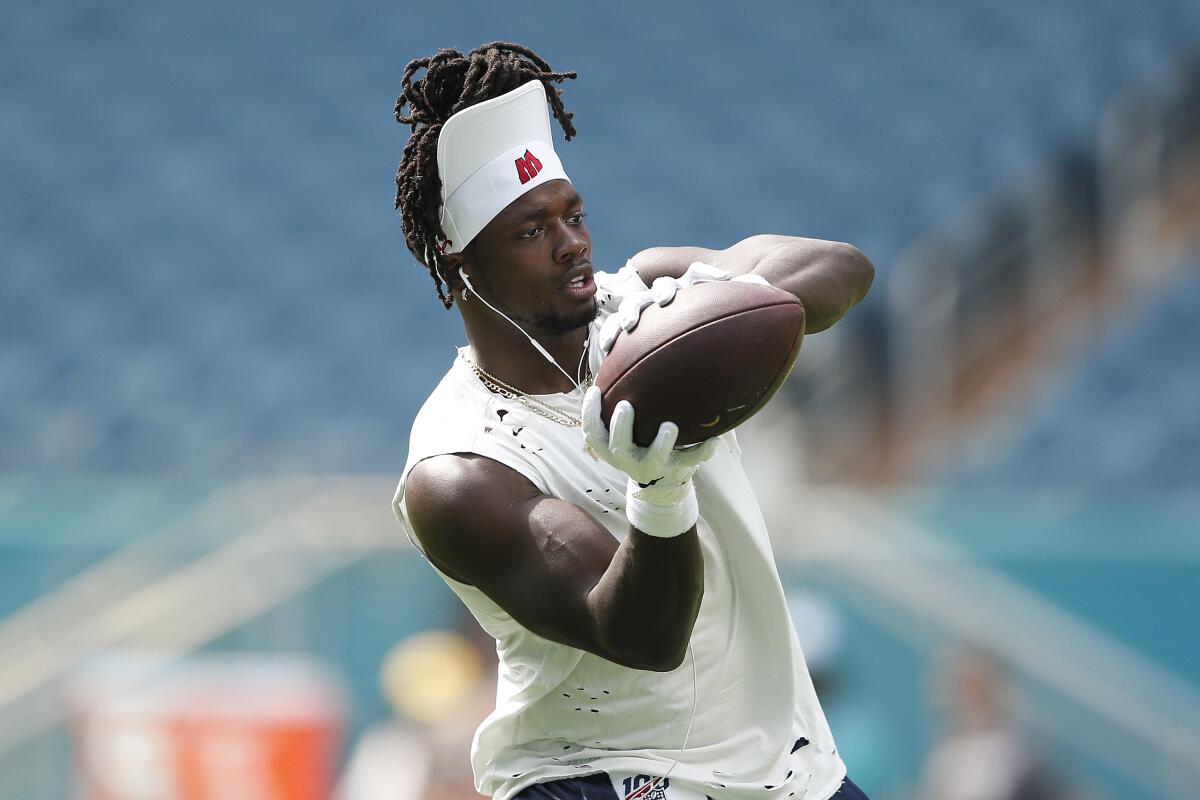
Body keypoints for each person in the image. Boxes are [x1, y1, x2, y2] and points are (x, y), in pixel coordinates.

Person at [390, 42, 875, 800]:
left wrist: (718, 297)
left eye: (573, 214)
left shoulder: (645, 298)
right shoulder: (460, 468)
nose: (572, 242)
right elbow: (641, 637)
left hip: (785, 769)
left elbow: (844, 268)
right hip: (598, 777)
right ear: (460, 262)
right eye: (530, 231)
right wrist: (659, 489)